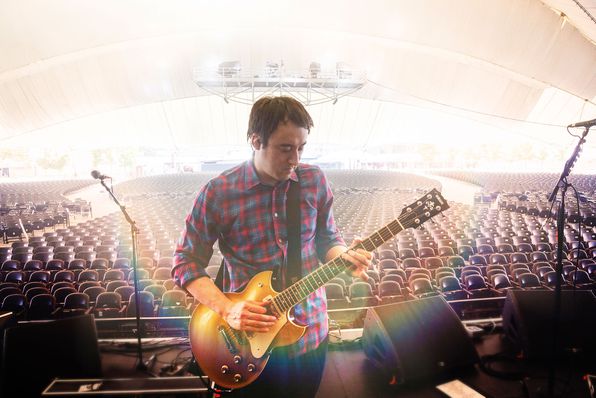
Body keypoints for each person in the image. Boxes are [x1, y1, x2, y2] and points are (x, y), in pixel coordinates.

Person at [172, 96, 372, 397]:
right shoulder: (219, 192)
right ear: (255, 140)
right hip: (247, 338)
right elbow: (185, 261)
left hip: (310, 330)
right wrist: (227, 309)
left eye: (301, 148)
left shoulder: (315, 181)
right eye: (285, 148)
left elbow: (327, 239)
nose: (295, 160)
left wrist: (343, 255)